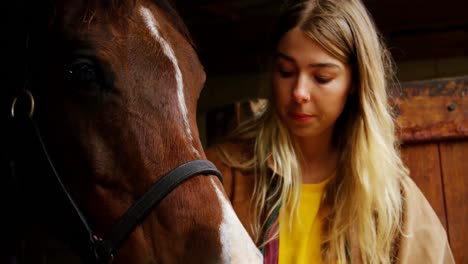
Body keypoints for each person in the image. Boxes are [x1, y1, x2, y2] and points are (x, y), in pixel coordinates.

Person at [205, 0, 455, 263]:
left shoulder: (394, 198)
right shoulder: (223, 175)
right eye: (286, 72)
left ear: (355, 82)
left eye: (322, 77)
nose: (299, 92)